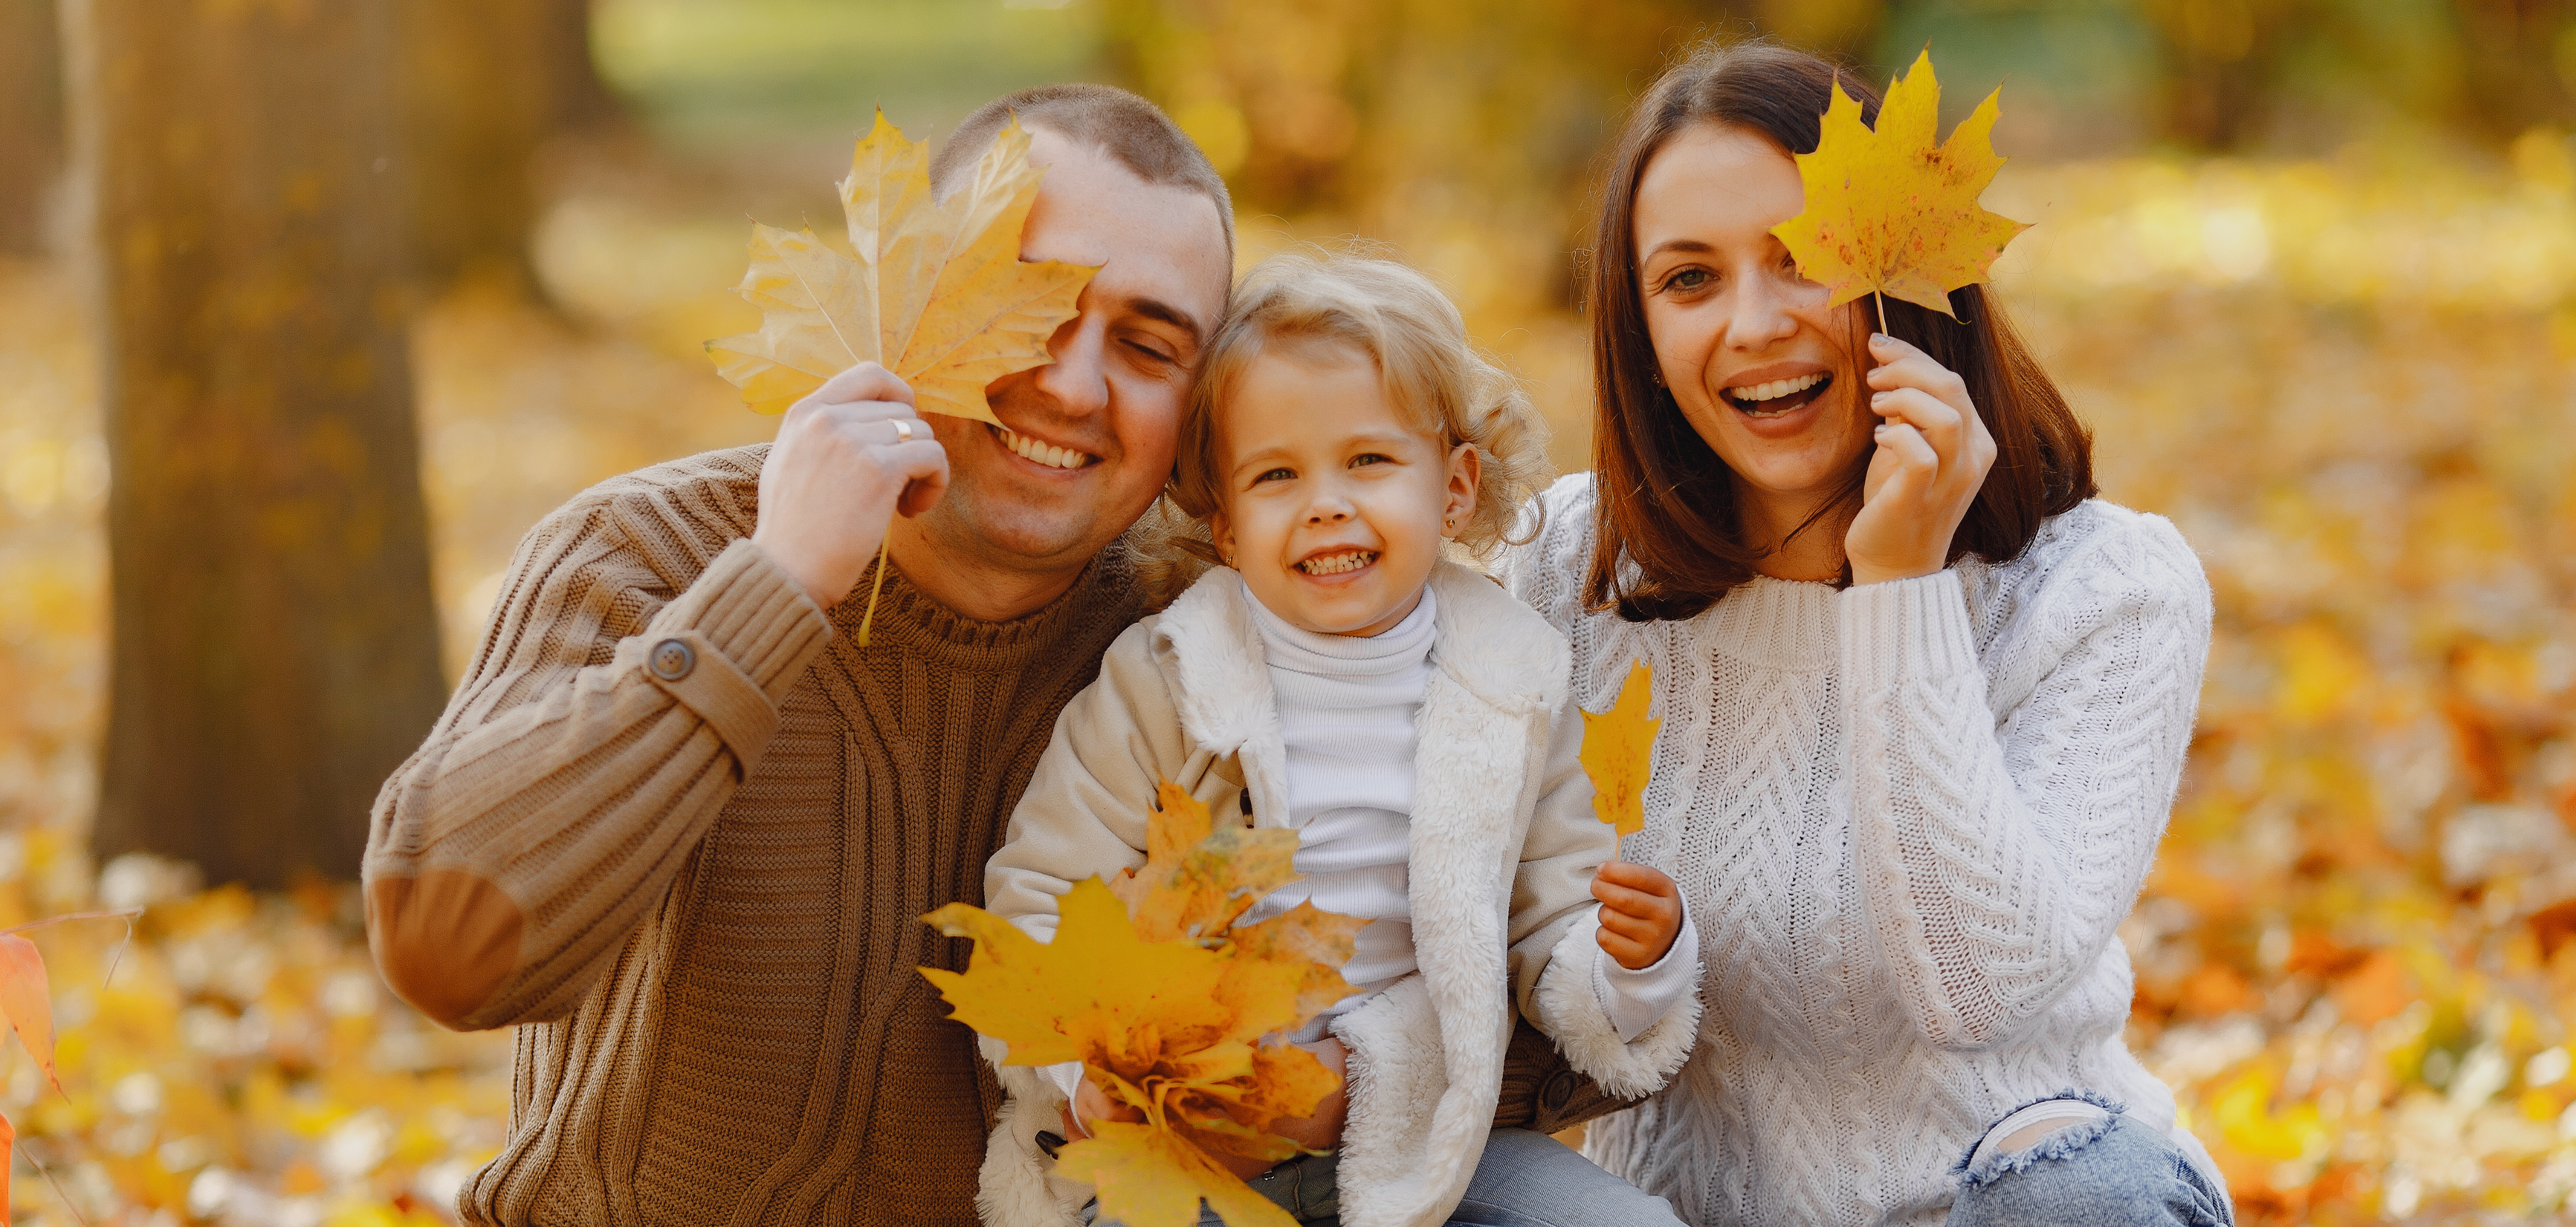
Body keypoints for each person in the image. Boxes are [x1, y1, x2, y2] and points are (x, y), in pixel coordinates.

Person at [360, 84, 1234, 1226]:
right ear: (915, 295)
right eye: (1032, 303)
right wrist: (776, 588)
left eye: (1149, 345)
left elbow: (1480, 1003)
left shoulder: (1200, 661)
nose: (1073, 386)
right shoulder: (643, 556)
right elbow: (448, 950)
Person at [1503, 41, 2233, 1227]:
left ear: (1909, 273)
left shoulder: (2105, 589)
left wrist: (1898, 588)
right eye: (1688, 281)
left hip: (2013, 1198)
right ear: (1637, 326)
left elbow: (1974, 989)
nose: (1753, 324)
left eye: (1802, 261)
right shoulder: (1563, 566)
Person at [975, 252, 1702, 1227]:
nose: (1327, 502)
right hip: (1191, 1139)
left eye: (1368, 461)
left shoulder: (1508, 679)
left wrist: (1629, 962)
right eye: (1277, 474)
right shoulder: (1166, 678)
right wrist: (1088, 1065)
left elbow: (1553, 909)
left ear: (1452, 489)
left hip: (1421, 1133)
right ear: (1226, 526)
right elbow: (1042, 894)